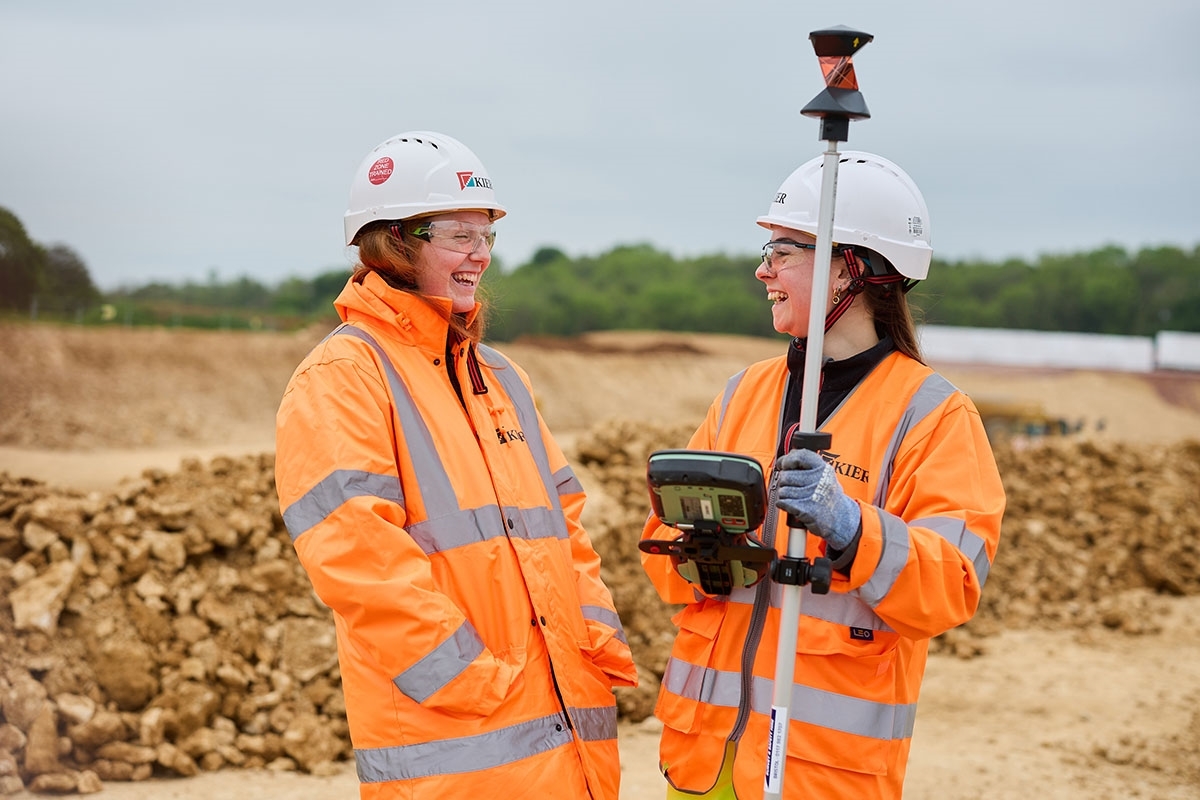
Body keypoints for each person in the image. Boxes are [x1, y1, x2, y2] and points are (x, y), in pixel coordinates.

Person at [275, 131, 637, 800]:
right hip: (459, 757)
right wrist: (465, 680)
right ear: (396, 242)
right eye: (459, 235)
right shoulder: (344, 376)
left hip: (568, 749)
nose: (481, 255)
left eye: (487, 236)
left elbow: (564, 532)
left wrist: (592, 637)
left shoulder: (500, 378)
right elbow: (359, 561)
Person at [639, 151, 1005, 799]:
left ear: (850, 269)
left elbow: (952, 585)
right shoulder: (743, 393)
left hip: (820, 771)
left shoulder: (932, 416)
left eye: (784, 250)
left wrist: (851, 527)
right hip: (707, 761)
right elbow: (667, 568)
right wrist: (700, 552)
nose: (763, 269)